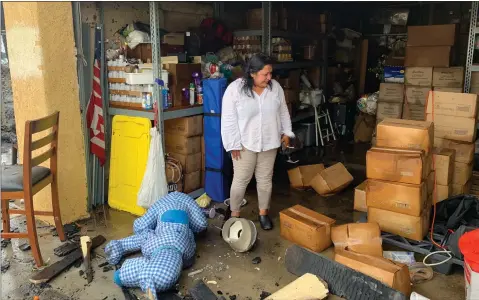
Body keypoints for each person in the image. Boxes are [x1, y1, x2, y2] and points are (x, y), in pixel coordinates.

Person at [221, 53, 294, 230]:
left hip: (269, 142)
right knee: (240, 180)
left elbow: (283, 111)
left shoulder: (275, 88)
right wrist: (232, 144)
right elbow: (229, 118)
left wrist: (287, 132)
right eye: (265, 74)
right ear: (252, 73)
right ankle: (234, 214)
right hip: (245, 144)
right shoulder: (235, 89)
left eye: (271, 73)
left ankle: (263, 213)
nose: (269, 78)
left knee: (265, 180)